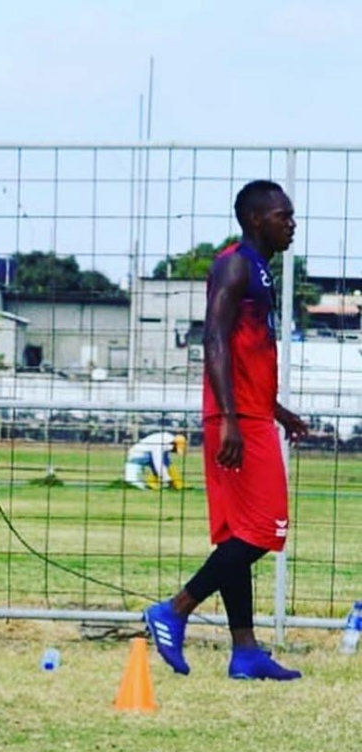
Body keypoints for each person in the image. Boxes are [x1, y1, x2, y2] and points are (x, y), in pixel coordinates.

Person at [144, 179, 308, 681]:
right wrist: (234, 418)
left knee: (240, 534)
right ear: (257, 219)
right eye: (284, 215)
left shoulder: (261, 270)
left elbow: (243, 353)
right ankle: (174, 609)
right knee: (263, 530)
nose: (292, 224)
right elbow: (213, 338)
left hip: (253, 414)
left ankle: (246, 651)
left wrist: (276, 409)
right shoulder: (234, 263)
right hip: (236, 421)